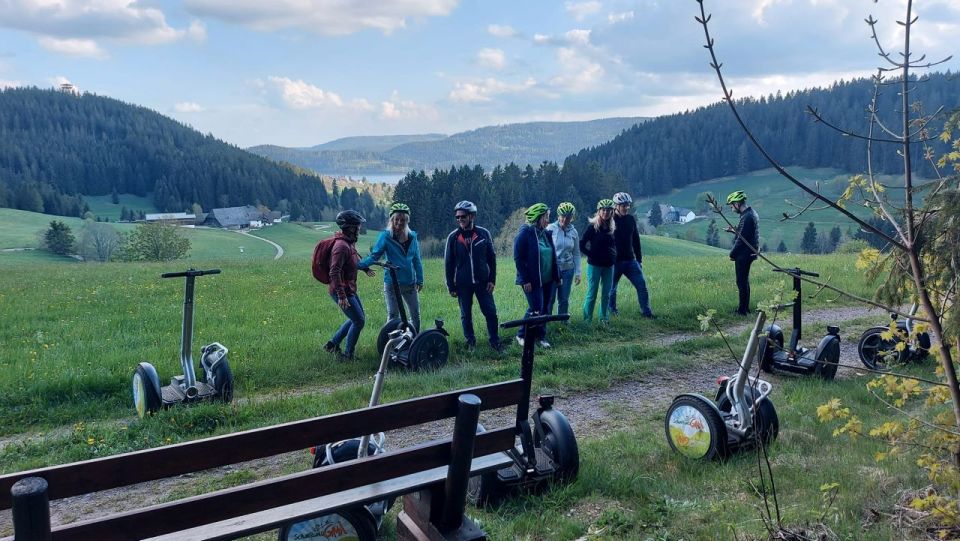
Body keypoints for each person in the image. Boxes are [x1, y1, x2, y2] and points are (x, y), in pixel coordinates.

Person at [444, 200, 503, 352]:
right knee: (466, 315)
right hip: (462, 284)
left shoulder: (483, 234)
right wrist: (451, 286)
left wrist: (492, 280)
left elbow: (492, 258)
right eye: (457, 217)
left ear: (472, 216)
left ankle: (495, 341)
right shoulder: (453, 237)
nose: (460, 220)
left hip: (483, 282)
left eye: (463, 216)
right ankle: (470, 343)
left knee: (490, 312)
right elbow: (449, 263)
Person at [358, 202, 424, 331]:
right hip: (392, 283)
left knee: (415, 316)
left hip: (410, 283)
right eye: (396, 219)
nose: (399, 222)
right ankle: (389, 345)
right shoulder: (386, 236)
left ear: (407, 221)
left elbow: (417, 260)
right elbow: (374, 256)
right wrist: (359, 265)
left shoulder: (412, 237)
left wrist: (420, 279)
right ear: (392, 220)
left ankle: (413, 342)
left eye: (403, 220)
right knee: (393, 316)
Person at [325, 210, 376, 361]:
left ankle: (332, 344)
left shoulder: (348, 243)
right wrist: (341, 296)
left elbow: (353, 260)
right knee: (359, 321)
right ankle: (348, 355)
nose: (360, 228)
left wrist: (365, 268)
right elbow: (334, 272)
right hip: (342, 290)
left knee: (357, 319)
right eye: (358, 225)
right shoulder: (341, 246)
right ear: (350, 227)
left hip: (349, 289)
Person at [513, 203, 560, 348]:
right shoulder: (525, 233)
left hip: (547, 279)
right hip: (532, 281)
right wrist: (525, 279)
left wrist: (557, 276)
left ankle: (541, 336)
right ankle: (521, 334)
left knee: (544, 308)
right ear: (537, 218)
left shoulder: (545, 233)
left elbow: (552, 256)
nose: (548, 220)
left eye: (548, 217)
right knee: (535, 308)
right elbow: (518, 258)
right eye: (545, 217)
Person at [608, 192, 655, 319]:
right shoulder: (609, 220)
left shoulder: (630, 219)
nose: (627, 207)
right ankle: (612, 312)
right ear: (616, 206)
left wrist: (639, 260)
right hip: (614, 262)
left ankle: (646, 312)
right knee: (611, 290)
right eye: (623, 205)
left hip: (630, 261)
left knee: (642, 286)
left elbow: (636, 240)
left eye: (628, 205)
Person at [580, 199, 617, 323]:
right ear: (599, 211)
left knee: (606, 294)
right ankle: (587, 321)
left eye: (609, 210)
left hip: (609, 266)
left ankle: (604, 319)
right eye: (603, 210)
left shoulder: (612, 227)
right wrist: (591, 254)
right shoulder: (592, 227)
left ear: (612, 212)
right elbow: (581, 244)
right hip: (594, 266)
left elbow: (613, 245)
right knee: (592, 293)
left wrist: (614, 256)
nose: (606, 212)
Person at [725, 190, 760, 316]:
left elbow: (741, 240)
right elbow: (745, 234)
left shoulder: (747, 216)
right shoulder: (750, 213)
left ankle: (742, 311)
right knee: (744, 281)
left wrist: (732, 253)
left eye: (731, 204)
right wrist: (734, 231)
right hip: (749, 252)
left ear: (738, 203)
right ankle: (745, 308)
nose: (731, 207)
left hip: (744, 254)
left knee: (741, 281)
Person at [545, 202, 581, 318]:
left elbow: (576, 253)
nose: (565, 219)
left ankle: (563, 322)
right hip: (552, 270)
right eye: (563, 216)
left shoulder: (574, 232)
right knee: (550, 299)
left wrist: (578, 273)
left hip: (568, 270)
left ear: (572, 217)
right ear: (558, 215)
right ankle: (546, 322)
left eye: (569, 217)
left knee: (564, 299)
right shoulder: (550, 228)